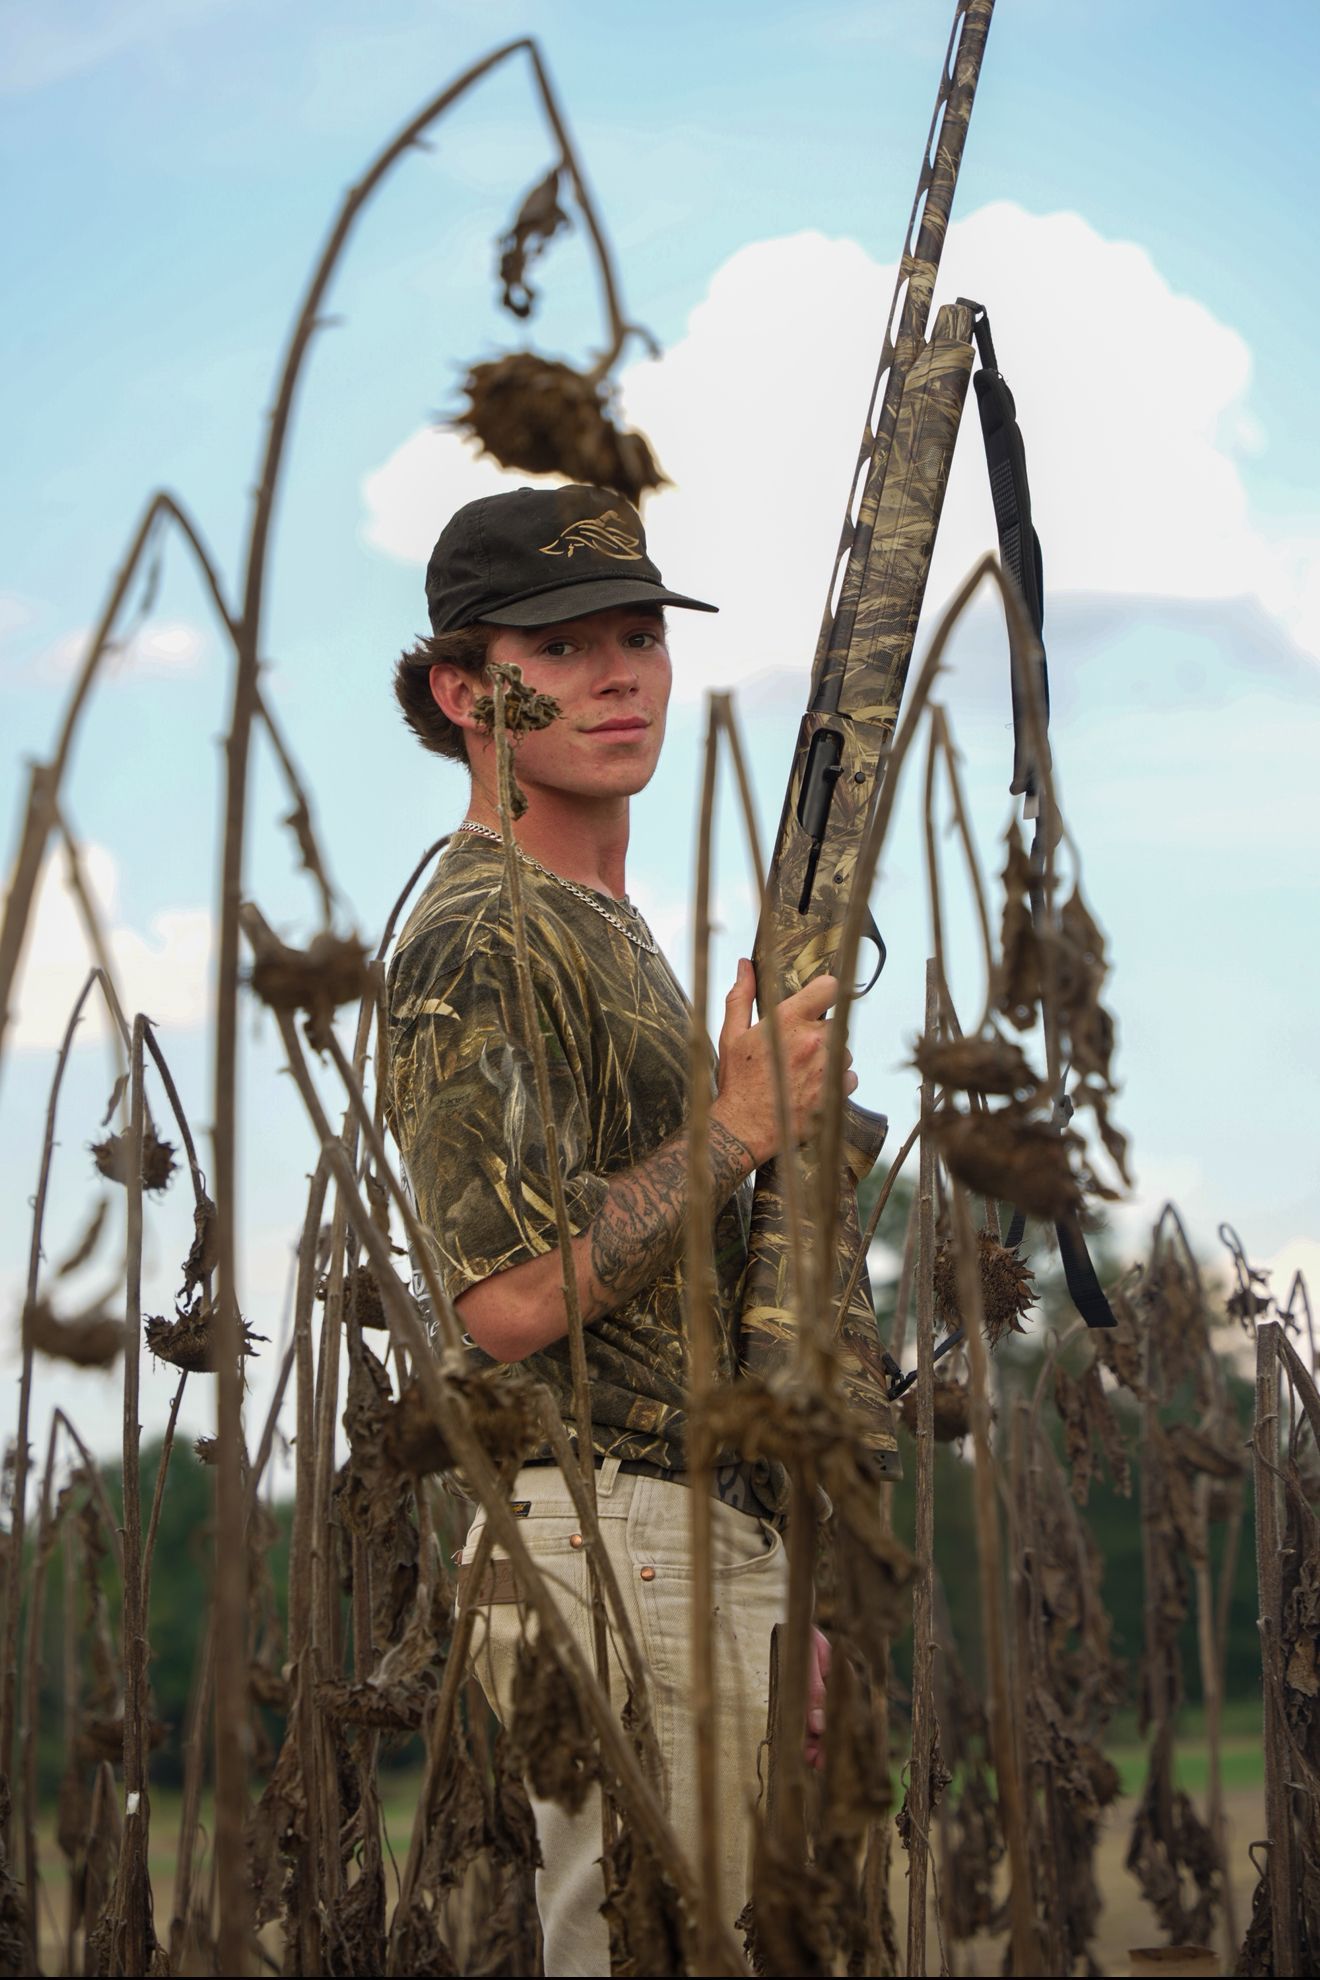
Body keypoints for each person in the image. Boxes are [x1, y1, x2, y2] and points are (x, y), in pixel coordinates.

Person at [384, 483, 852, 1975]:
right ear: (466, 691)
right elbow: (507, 1300)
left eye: (637, 637)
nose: (619, 676)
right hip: (612, 1540)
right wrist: (737, 1130)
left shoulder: (600, 924)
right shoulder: (480, 931)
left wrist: (778, 1574)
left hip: (686, 1540)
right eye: (564, 646)